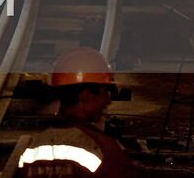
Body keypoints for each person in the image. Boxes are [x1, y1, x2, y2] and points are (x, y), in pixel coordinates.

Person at [17, 48, 133, 177]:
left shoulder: (32, 150)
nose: (107, 101)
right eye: (105, 92)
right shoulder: (107, 150)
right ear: (85, 96)